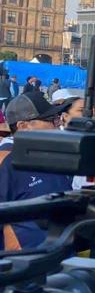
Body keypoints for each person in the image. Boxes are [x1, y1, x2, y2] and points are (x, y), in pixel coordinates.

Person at [0, 93, 72, 250]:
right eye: (50, 120)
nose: (57, 124)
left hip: (61, 260)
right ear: (23, 126)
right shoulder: (5, 161)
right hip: (24, 266)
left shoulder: (52, 157)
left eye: (57, 118)